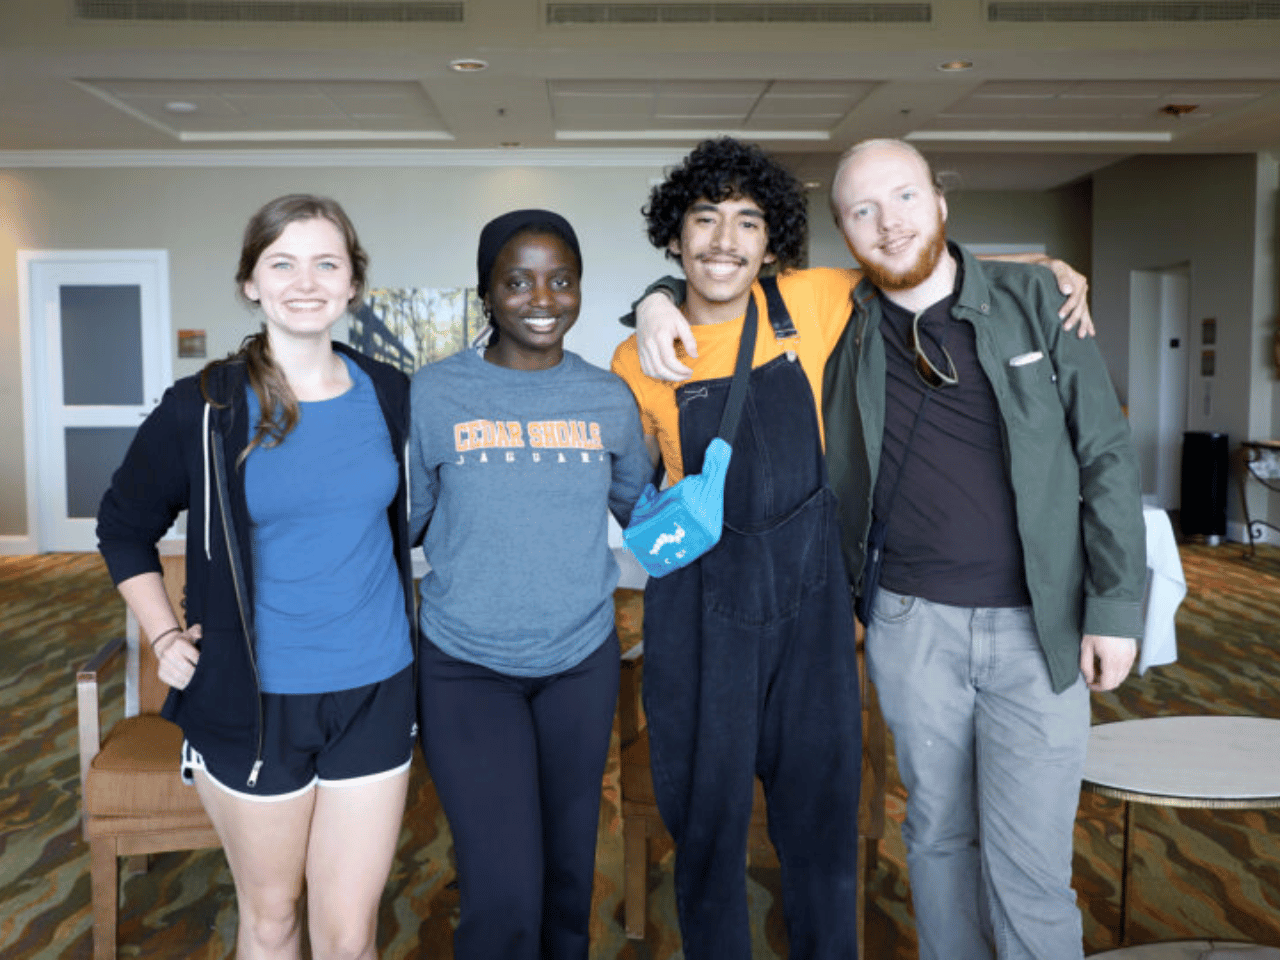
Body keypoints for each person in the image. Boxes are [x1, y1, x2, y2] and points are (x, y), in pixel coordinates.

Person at [821, 139, 1145, 960]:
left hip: (1038, 629)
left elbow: (1105, 454)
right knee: (936, 834)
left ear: (940, 201)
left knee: (1030, 862)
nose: (888, 224)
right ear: (842, 231)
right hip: (909, 626)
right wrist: (652, 300)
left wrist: (1115, 608)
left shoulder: (1036, 297)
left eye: (903, 198)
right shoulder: (840, 320)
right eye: (863, 210)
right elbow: (711, 278)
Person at [97, 194, 417, 960]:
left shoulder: (392, 392)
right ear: (251, 282)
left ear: (352, 284)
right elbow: (123, 525)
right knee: (273, 922)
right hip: (252, 698)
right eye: (282, 263)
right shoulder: (203, 408)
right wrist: (163, 633)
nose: (304, 281)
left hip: (377, 686)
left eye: (326, 263)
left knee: (351, 935)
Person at [610, 137, 866, 960]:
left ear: (771, 238)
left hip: (810, 604)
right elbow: (631, 493)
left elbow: (924, 270)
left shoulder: (814, 301)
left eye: (747, 221)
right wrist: (651, 304)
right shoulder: (637, 356)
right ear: (675, 236)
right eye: (705, 219)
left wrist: (1049, 272)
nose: (725, 240)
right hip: (698, 612)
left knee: (823, 819)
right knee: (707, 826)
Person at [409, 209, 650, 960]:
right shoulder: (435, 395)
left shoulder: (610, 398)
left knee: (569, 872)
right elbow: (400, 522)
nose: (541, 299)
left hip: (580, 661)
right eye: (517, 281)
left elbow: (643, 515)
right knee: (503, 883)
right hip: (465, 664)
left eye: (560, 280)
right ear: (487, 293)